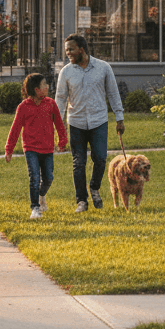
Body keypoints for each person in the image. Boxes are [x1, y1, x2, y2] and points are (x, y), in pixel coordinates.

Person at [54, 34, 125, 213]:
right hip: (76, 122)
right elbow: (60, 99)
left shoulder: (103, 68)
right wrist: (58, 125)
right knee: (78, 163)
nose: (68, 53)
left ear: (81, 49)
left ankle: (94, 187)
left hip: (99, 121)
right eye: (66, 50)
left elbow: (113, 93)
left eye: (71, 49)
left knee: (100, 159)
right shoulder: (66, 72)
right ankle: (81, 201)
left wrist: (119, 118)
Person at [5, 73, 67, 220]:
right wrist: (9, 149)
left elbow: (59, 124)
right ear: (36, 89)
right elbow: (15, 129)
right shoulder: (23, 107)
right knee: (34, 177)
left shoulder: (51, 104)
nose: (47, 87)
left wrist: (62, 141)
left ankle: (41, 195)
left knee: (48, 178)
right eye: (44, 84)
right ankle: (35, 208)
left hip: (47, 148)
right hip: (30, 148)